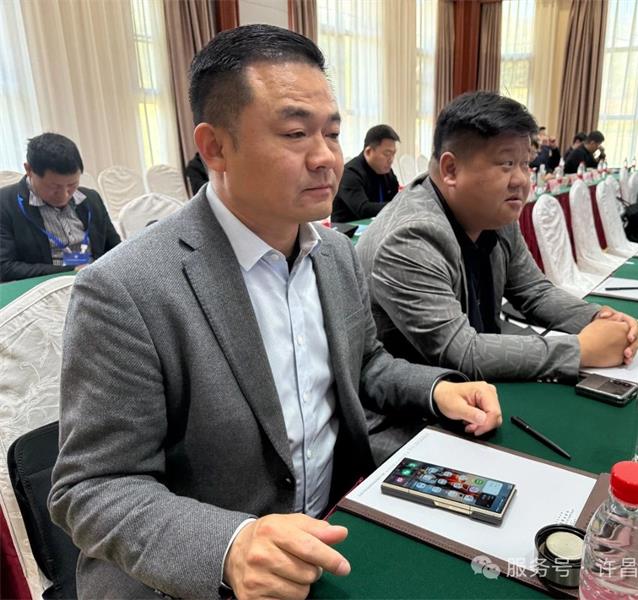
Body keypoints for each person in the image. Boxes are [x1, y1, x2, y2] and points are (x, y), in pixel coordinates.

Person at [48, 25, 502, 600]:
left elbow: (365, 365)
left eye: (332, 133)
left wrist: (436, 389)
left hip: (333, 532)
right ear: (215, 147)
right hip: (201, 578)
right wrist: (230, 545)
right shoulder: (125, 289)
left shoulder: (335, 254)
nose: (326, 158)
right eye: (295, 133)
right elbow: (92, 487)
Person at [356, 91, 638, 455]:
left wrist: (597, 318)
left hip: (481, 393)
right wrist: (581, 349)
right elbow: (462, 352)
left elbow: (534, 291)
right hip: (414, 413)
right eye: (506, 164)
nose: (522, 180)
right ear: (451, 169)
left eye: (525, 163)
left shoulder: (493, 213)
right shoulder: (411, 236)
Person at [0, 133, 120, 282]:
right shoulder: (5, 204)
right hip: (46, 287)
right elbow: (4, 268)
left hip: (96, 281)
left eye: (72, 185)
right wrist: (71, 270)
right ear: (29, 170)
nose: (64, 195)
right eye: (54, 187)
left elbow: (116, 249)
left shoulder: (91, 199)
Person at [331, 124, 400, 222]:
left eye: (393, 154)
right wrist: (399, 205)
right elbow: (363, 209)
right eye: (387, 154)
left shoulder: (387, 172)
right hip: (349, 228)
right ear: (368, 152)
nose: (391, 159)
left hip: (378, 225)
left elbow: (395, 199)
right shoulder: (349, 173)